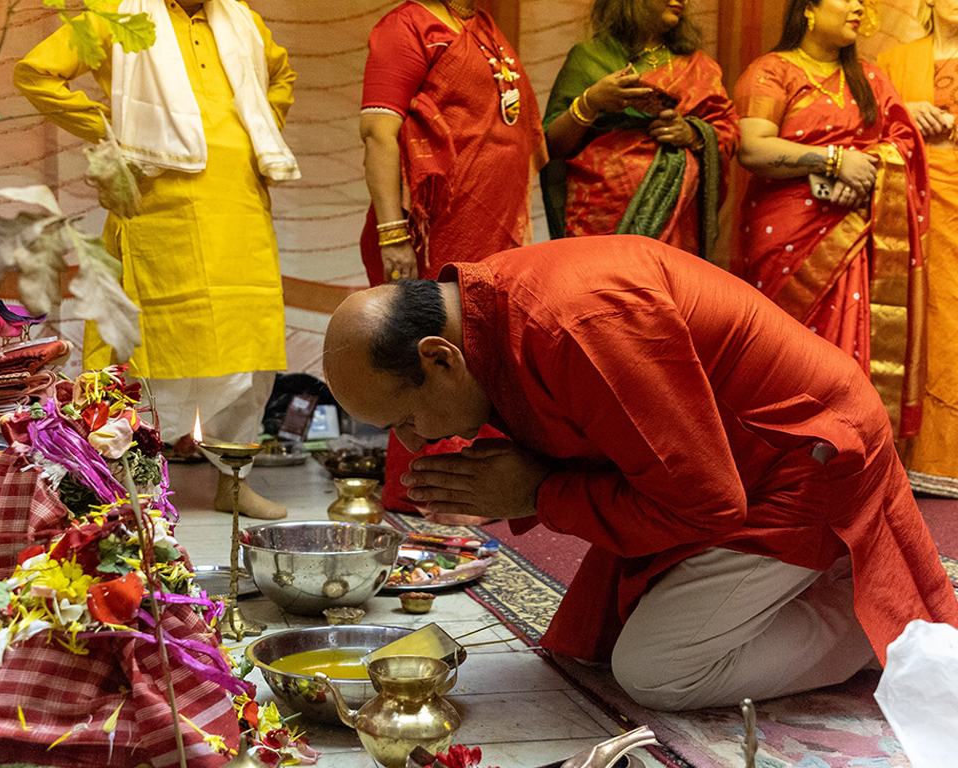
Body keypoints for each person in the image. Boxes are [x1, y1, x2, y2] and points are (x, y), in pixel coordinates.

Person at [322, 235, 958, 711]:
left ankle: (874, 622)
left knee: (659, 671)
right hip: (728, 462)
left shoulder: (577, 324)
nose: (413, 442)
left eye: (405, 418)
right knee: (609, 639)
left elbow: (706, 505)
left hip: (803, 459)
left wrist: (539, 492)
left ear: (440, 359)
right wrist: (533, 484)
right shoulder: (495, 313)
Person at [14, 0, 299, 519]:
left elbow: (280, 75)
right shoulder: (116, 14)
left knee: (248, 347)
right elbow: (36, 72)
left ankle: (234, 482)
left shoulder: (241, 18)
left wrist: (258, 126)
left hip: (241, 207)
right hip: (157, 211)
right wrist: (115, 127)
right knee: (145, 347)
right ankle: (124, 484)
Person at [358, 0, 545, 515]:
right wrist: (393, 233)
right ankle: (427, 492)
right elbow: (378, 133)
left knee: (485, 354)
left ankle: (480, 488)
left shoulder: (482, 26)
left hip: (491, 224)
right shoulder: (406, 26)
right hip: (435, 228)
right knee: (439, 355)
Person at [734, 0, 928, 440]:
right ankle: (779, 461)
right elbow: (752, 148)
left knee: (849, 355)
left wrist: (866, 171)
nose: (859, 7)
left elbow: (902, 142)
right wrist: (834, 161)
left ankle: (846, 459)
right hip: (787, 234)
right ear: (808, 9)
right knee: (785, 354)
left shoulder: (870, 77)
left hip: (857, 228)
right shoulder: (771, 71)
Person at [541, 0, 739, 259]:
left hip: (677, 226)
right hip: (598, 222)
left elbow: (727, 129)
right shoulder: (589, 56)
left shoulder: (699, 65)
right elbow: (551, 146)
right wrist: (591, 102)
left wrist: (693, 134)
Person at [878, 1, 958, 496]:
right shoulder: (895, 60)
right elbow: (865, 127)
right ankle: (920, 455)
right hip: (914, 199)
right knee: (921, 317)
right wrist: (905, 114)